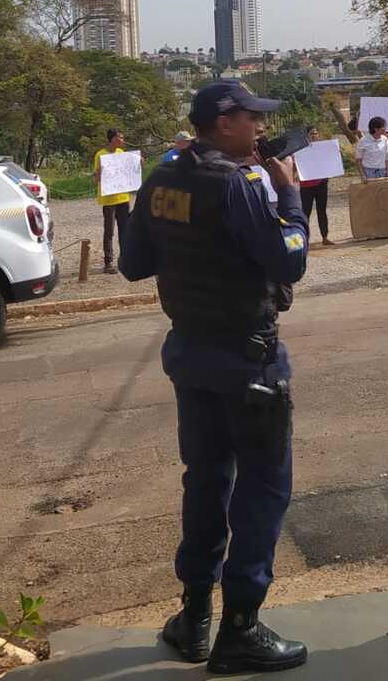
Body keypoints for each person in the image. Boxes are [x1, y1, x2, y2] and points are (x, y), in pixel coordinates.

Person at [119, 81, 310, 673]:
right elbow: (290, 261)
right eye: (252, 117)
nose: (259, 127)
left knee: (205, 481)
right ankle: (241, 629)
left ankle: (195, 616)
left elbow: (133, 265)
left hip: (192, 356)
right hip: (247, 360)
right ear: (224, 121)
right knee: (262, 489)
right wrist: (291, 198)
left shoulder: (163, 178)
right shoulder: (242, 184)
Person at [92, 127, 132, 274]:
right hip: (109, 199)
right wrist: (99, 173)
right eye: (120, 137)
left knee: (125, 230)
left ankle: (125, 260)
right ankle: (108, 262)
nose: (122, 140)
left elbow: (129, 171)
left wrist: (137, 163)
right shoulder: (100, 155)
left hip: (123, 197)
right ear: (113, 139)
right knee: (109, 231)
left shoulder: (122, 154)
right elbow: (96, 180)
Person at [298, 125, 334, 246]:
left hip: (321, 183)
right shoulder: (300, 150)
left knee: (322, 211)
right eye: (311, 134)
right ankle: (304, 238)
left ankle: (325, 237)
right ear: (306, 136)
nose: (314, 136)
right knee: (306, 212)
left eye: (316, 133)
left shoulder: (323, 148)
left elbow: (331, 160)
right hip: (306, 185)